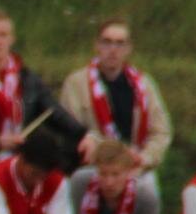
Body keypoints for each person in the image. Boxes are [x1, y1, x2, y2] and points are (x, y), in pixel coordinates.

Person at [58, 19, 174, 182]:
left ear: (128, 49)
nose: (113, 50)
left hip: (135, 167)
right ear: (96, 45)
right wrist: (109, 155)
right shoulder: (76, 83)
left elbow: (161, 131)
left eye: (120, 44)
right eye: (107, 42)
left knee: (149, 192)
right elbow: (71, 130)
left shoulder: (144, 84)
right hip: (94, 168)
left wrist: (144, 158)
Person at [0, 10, 91, 158]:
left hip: (22, 154)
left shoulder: (26, 77)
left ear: (12, 39)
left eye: (3, 35)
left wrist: (84, 135)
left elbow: (54, 111)